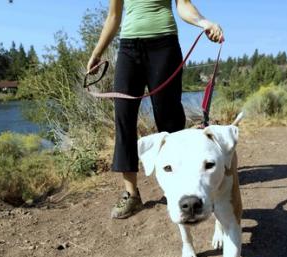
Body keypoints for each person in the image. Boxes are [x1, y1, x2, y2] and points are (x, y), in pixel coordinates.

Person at [87, 0, 224, 219]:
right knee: (124, 118)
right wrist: (97, 52)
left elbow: (183, 5)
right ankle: (131, 194)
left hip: (164, 45)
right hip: (128, 49)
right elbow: (113, 17)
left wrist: (203, 22)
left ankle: (185, 186)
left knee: (169, 119)